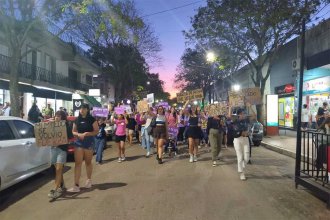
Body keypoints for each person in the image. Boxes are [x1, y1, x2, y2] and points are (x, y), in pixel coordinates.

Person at [67, 104, 98, 193]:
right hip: (79, 142)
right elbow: (73, 131)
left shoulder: (92, 119)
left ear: (87, 110)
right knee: (78, 163)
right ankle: (76, 185)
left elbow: (96, 131)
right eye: (80, 108)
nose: (82, 110)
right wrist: (78, 134)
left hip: (89, 142)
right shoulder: (77, 119)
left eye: (84, 108)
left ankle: (88, 180)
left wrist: (86, 134)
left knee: (88, 162)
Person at [48, 110, 73, 199]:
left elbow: (70, 138)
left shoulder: (66, 126)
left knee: (59, 169)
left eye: (59, 116)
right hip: (53, 149)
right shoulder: (51, 126)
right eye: (56, 116)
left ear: (63, 118)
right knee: (57, 170)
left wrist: (60, 142)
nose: (57, 117)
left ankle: (56, 188)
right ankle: (62, 185)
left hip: (62, 150)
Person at [229, 104, 256, 181]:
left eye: (243, 114)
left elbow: (254, 115)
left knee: (247, 158)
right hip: (237, 140)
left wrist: (250, 106)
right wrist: (230, 107)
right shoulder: (235, 120)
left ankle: (243, 163)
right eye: (240, 114)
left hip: (246, 139)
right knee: (240, 157)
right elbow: (229, 116)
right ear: (237, 115)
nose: (242, 115)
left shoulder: (246, 120)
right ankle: (242, 173)